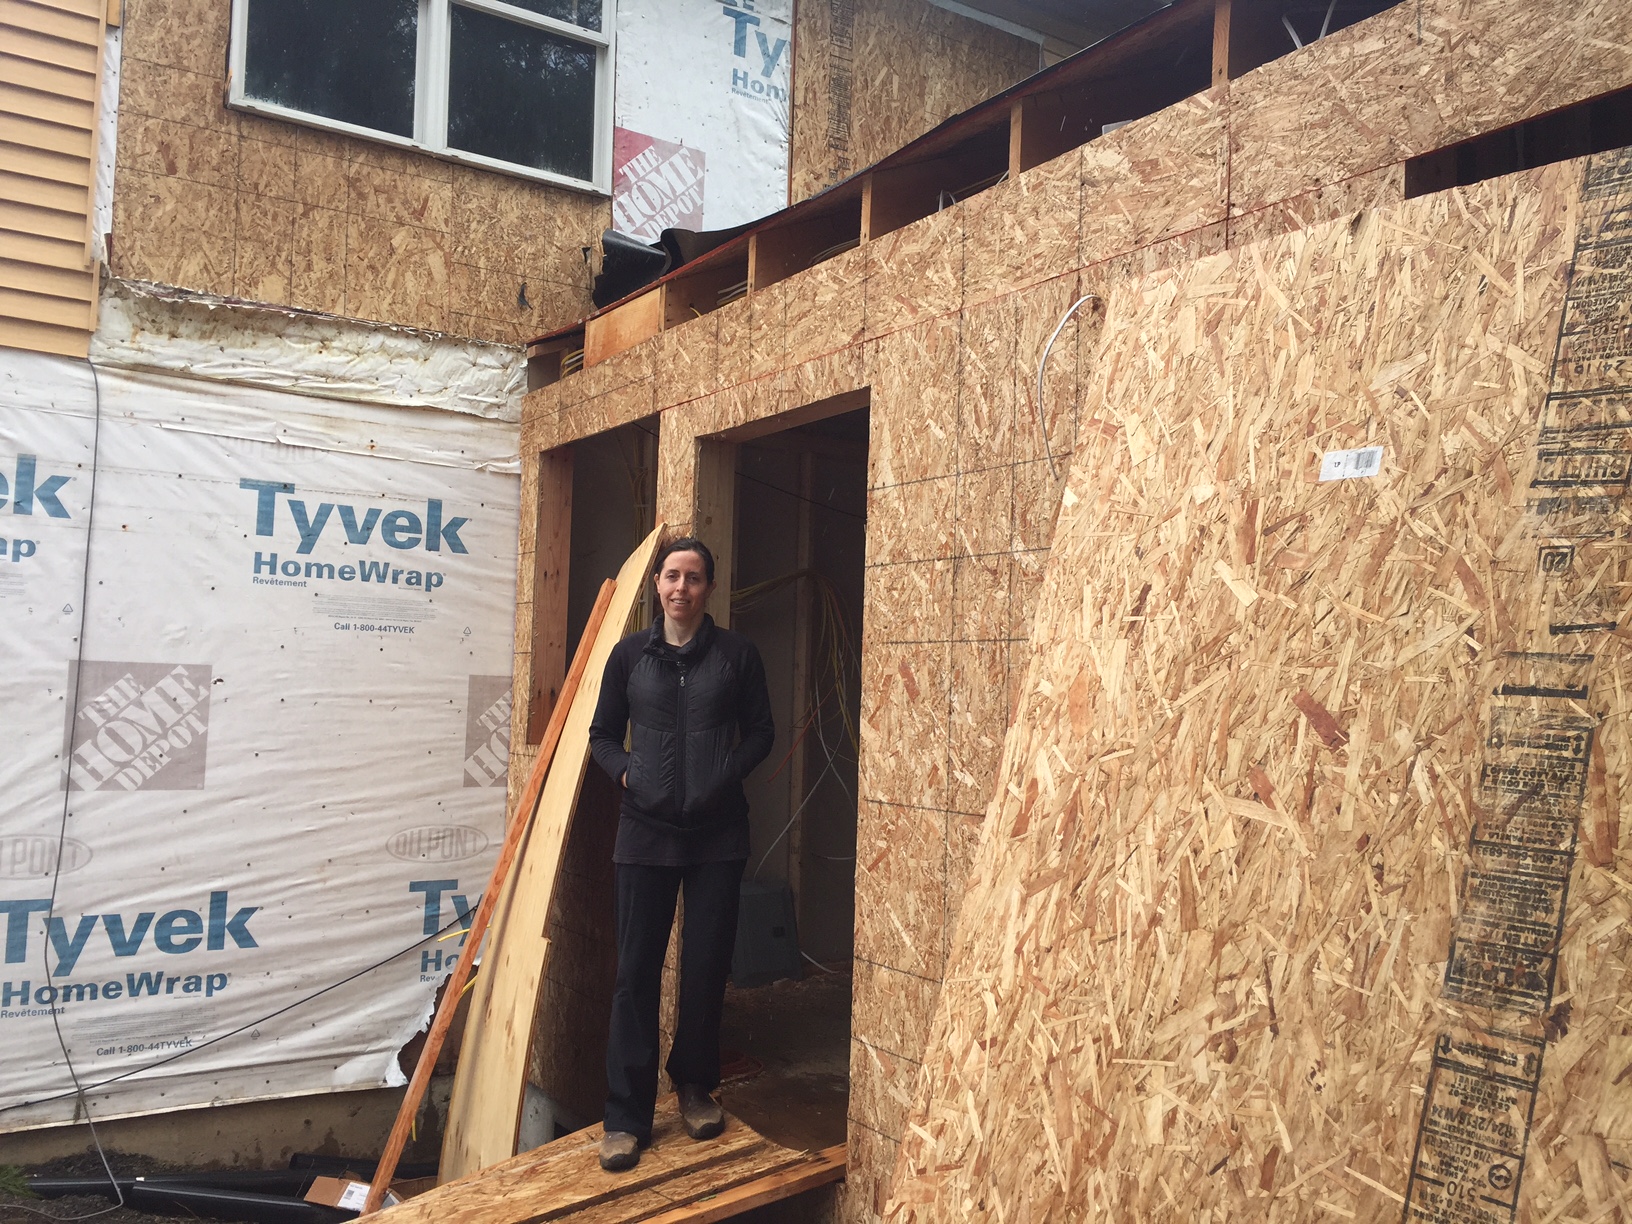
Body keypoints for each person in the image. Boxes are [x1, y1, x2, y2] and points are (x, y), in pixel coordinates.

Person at [587, 536, 775, 1172]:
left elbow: (762, 732)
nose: (681, 588)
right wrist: (629, 774)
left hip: (718, 835)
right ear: (658, 585)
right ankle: (626, 1116)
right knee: (635, 973)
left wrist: (724, 774)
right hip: (644, 832)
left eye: (694, 578)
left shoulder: (736, 656)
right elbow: (601, 736)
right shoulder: (628, 657)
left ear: (708, 589)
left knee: (705, 966)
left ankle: (695, 1087)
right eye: (672, 576)